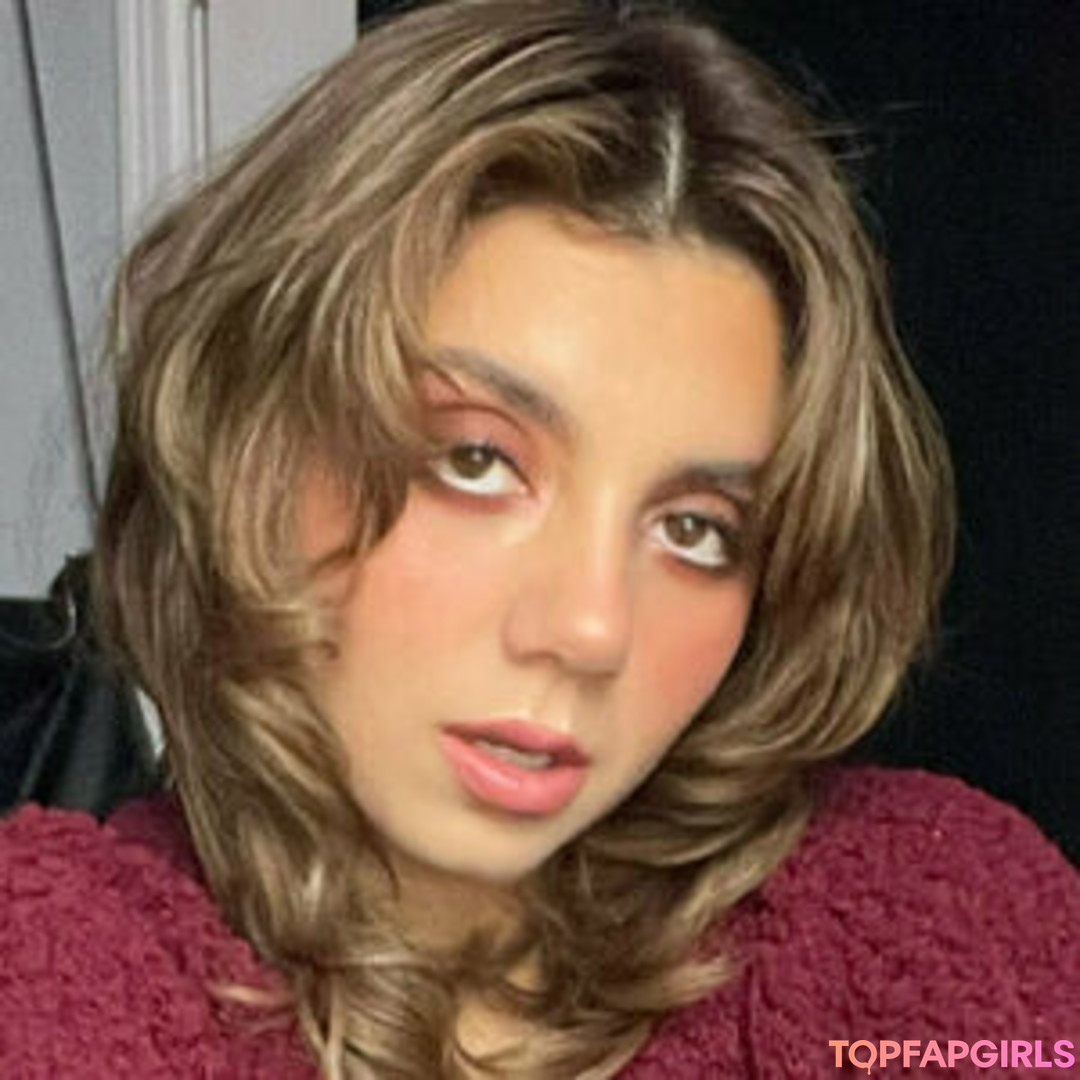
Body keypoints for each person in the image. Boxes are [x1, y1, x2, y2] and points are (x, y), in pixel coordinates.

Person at [1, 1, 1077, 1077]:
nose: (591, 629)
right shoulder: (51, 976)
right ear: (249, 448)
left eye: (695, 529)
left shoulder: (934, 924)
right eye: (476, 461)